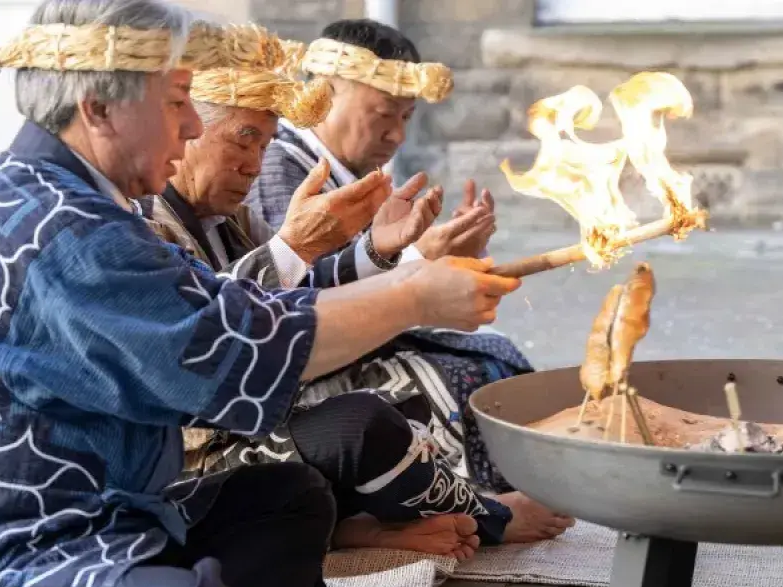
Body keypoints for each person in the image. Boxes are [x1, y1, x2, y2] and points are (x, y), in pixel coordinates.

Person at [0, 2, 521, 587]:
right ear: (99, 109)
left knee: (291, 496)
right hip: (13, 548)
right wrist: (414, 292)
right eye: (176, 103)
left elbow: (244, 303)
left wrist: (392, 267)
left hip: (119, 517)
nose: (193, 123)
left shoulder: (82, 198)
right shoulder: (60, 225)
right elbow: (229, 348)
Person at [138, 67, 566, 554]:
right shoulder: (143, 222)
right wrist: (300, 248)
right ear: (188, 131)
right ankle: (490, 515)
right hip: (192, 461)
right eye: (243, 141)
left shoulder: (229, 216)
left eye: (263, 145)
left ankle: (356, 527)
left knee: (432, 384)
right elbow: (209, 332)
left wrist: (379, 251)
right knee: (364, 419)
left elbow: (293, 295)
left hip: (267, 408)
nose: (255, 165)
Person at [245, 19, 541, 498]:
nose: (397, 136)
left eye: (406, 118)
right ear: (323, 95)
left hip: (355, 341)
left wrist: (444, 257)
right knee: (461, 377)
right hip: (300, 370)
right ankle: (470, 505)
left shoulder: (352, 169)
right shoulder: (285, 165)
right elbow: (298, 293)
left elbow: (365, 266)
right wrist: (418, 259)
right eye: (383, 115)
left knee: (496, 353)